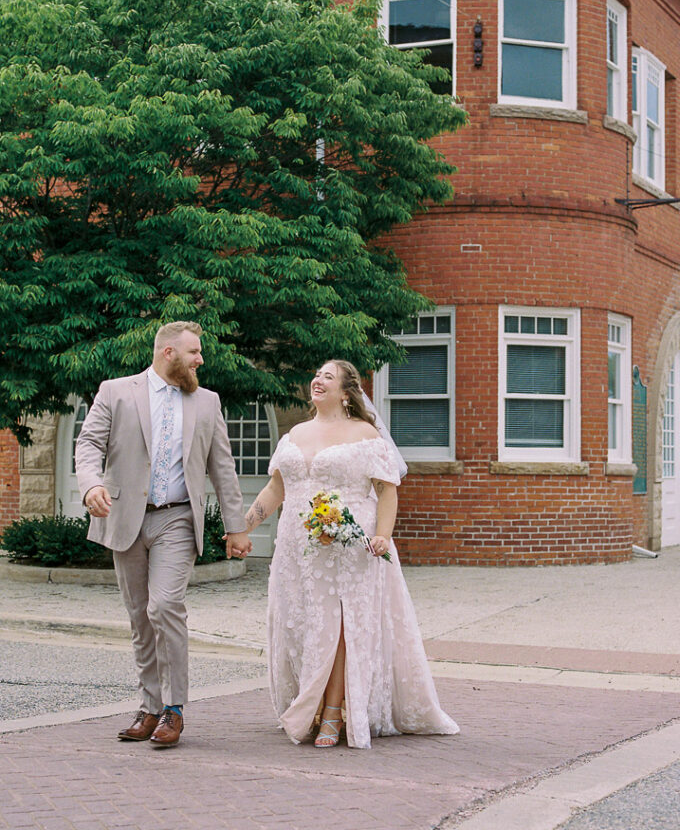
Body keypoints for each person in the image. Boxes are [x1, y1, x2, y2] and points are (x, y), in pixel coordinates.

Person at [244, 359, 459, 749]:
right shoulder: (295, 433)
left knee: (340, 627)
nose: (317, 380)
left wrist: (382, 535)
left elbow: (387, 489)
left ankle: (334, 711)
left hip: (346, 545)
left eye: (328, 376)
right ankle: (307, 705)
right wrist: (243, 527)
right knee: (301, 623)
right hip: (296, 549)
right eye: (316, 375)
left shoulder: (364, 434)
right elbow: (275, 490)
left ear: (346, 393)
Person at [75, 321, 252, 748]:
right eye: (194, 352)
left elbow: (222, 468)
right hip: (125, 517)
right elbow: (88, 445)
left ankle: (174, 709)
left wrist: (236, 527)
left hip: (176, 518)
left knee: (166, 605)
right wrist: (91, 485)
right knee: (140, 616)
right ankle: (149, 706)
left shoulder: (207, 402)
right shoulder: (116, 391)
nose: (201, 360)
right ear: (168, 353)